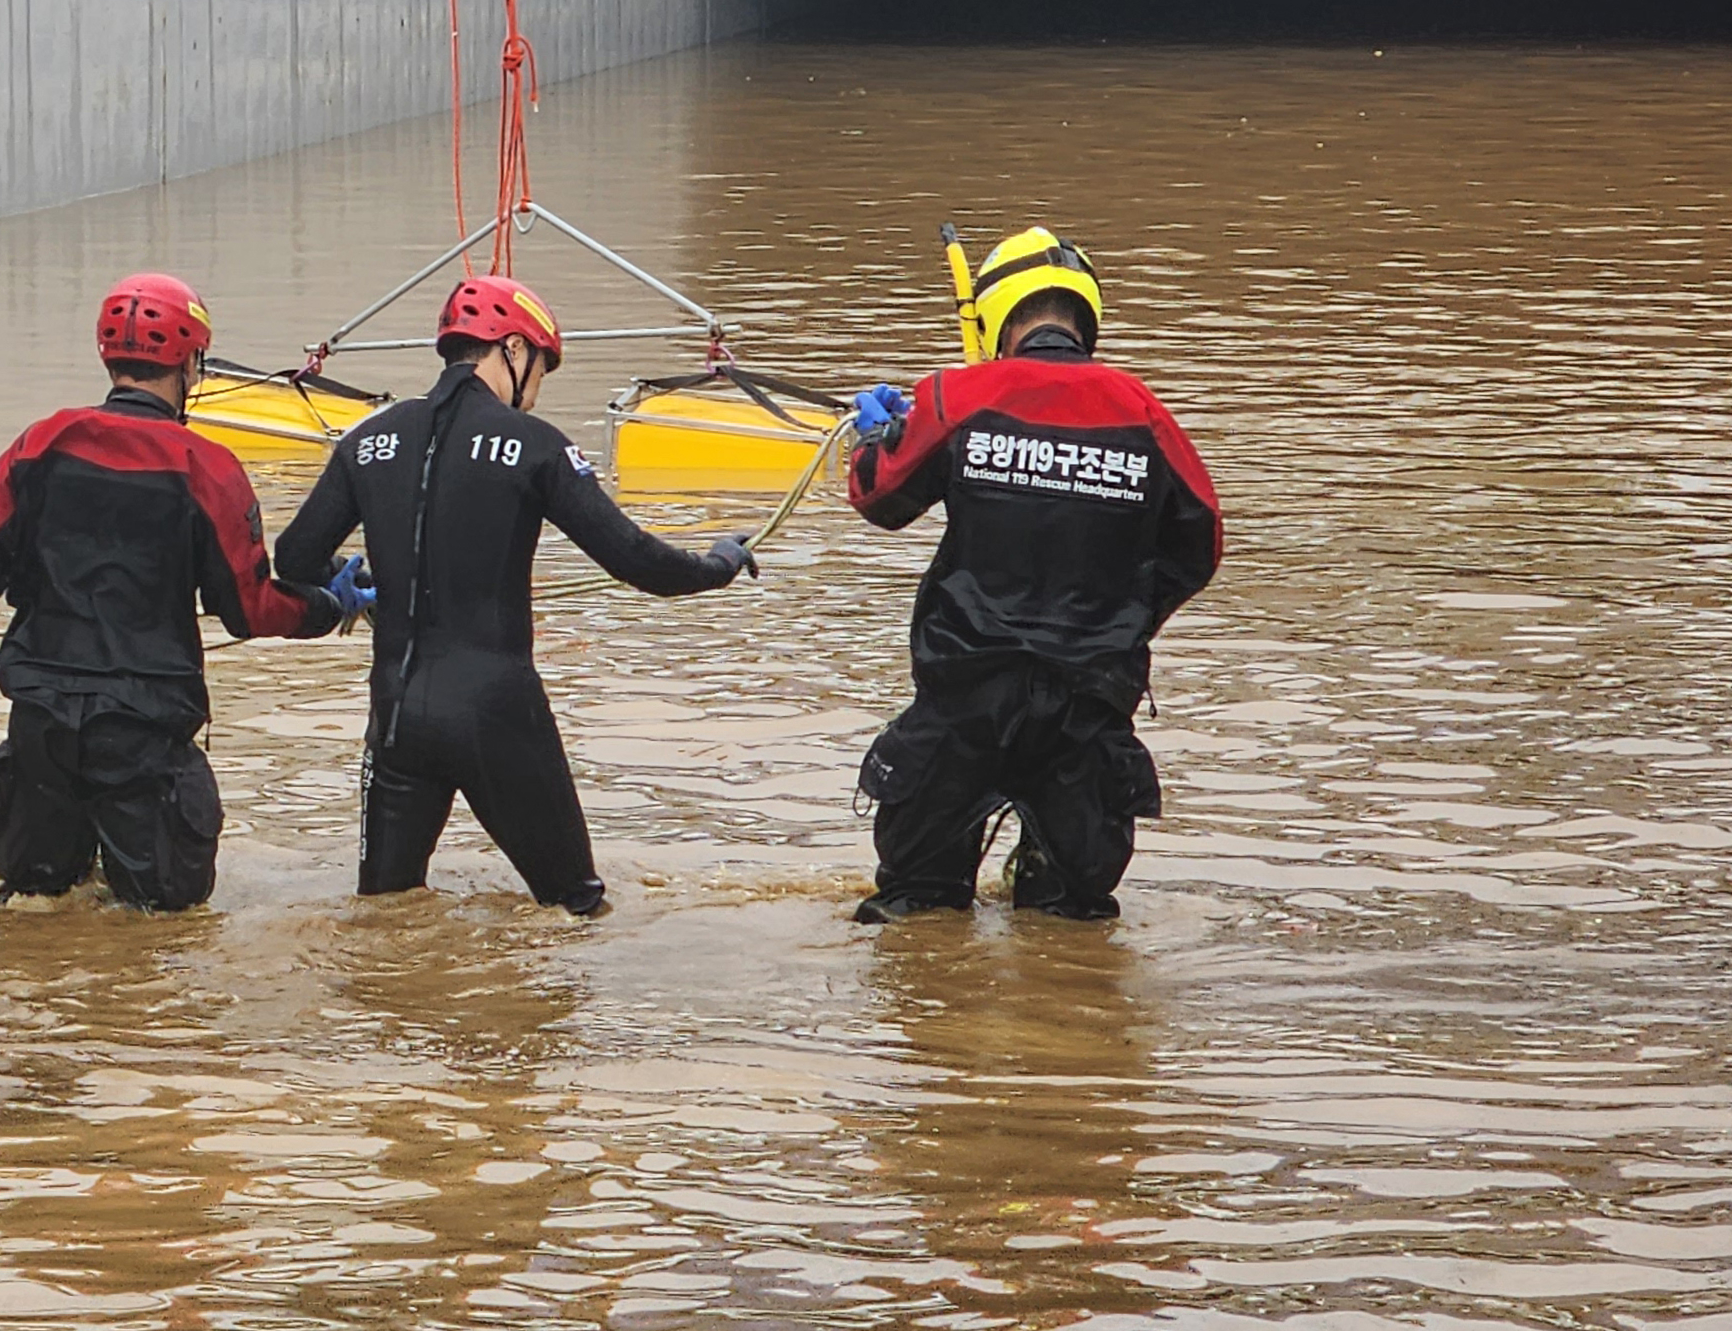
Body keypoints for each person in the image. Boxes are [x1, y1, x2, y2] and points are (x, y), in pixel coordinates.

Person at [272, 274, 754, 918]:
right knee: (578, 910)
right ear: (513, 349)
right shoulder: (535, 446)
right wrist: (719, 562)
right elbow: (639, 563)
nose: (536, 389)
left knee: (384, 920)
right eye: (542, 367)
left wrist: (351, 580)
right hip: (495, 711)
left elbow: (292, 558)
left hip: (395, 716)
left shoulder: (368, 439)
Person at [0, 273, 343, 912]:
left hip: (43, 724)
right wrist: (329, 605)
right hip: (142, 730)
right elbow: (249, 609)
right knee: (163, 925)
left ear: (108, 357)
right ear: (189, 364)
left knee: (34, 909)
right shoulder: (205, 467)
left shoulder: (43, 442)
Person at [842, 227, 1223, 924]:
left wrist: (874, 440)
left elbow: (879, 500)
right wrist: (1123, 615)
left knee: (916, 915)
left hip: (966, 698)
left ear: (996, 317)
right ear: (1087, 319)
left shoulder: (955, 397)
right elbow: (1200, 542)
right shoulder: (1143, 411)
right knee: (1071, 922)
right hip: (1088, 707)